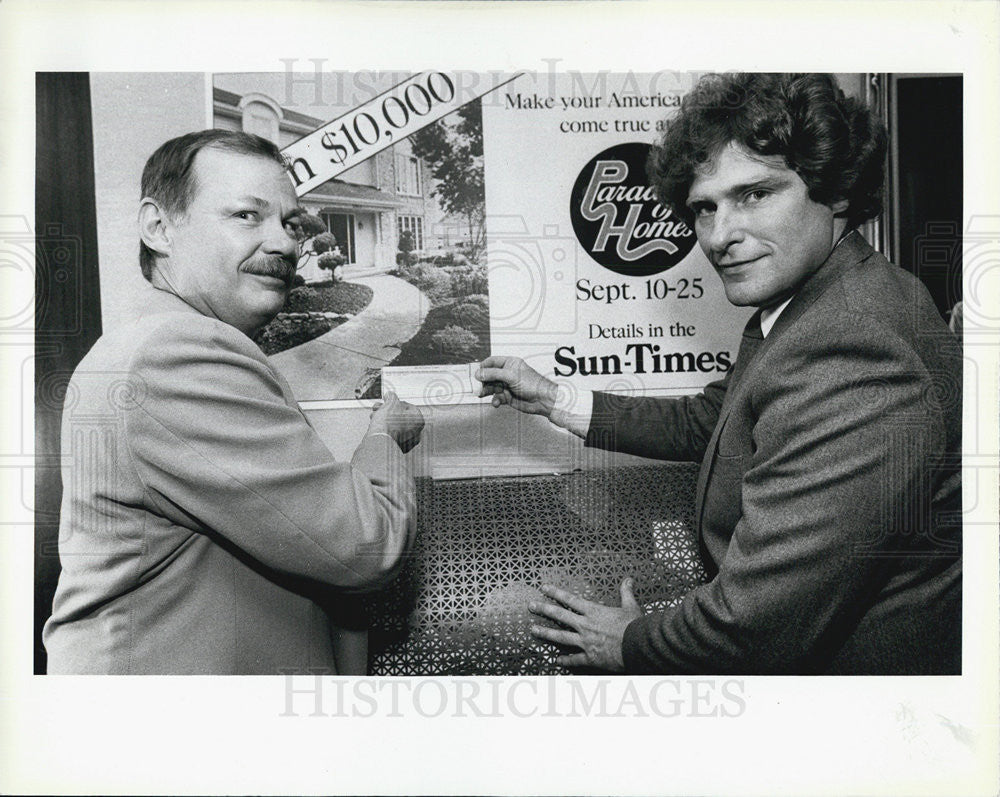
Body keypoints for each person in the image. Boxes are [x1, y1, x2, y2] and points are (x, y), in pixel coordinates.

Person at [476, 73, 962, 675]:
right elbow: (717, 420)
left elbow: (758, 623)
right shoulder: (819, 296)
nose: (720, 235)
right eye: (704, 208)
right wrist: (552, 398)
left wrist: (627, 642)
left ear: (835, 191)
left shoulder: (854, 346)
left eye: (755, 194)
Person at [43, 130, 425, 674]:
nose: (285, 244)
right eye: (248, 215)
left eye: (290, 223)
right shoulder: (180, 352)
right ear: (159, 228)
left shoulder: (154, 341)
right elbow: (365, 545)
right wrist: (388, 436)